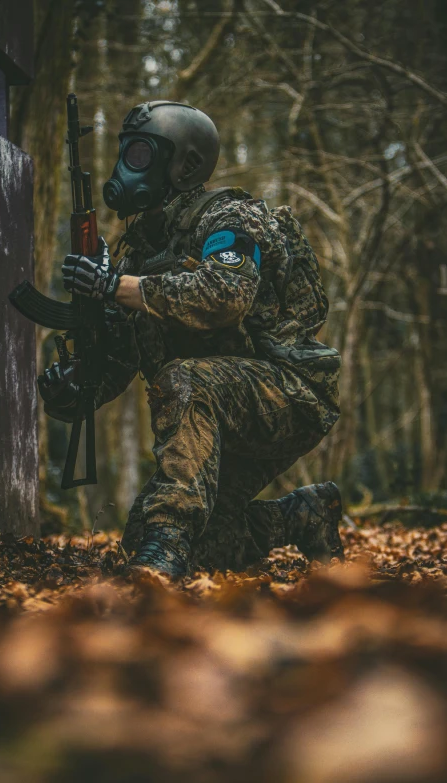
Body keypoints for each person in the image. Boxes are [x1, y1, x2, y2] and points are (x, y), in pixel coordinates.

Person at [40, 100, 344, 578]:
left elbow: (226, 295)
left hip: (289, 394)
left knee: (184, 383)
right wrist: (75, 390)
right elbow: (121, 360)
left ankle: (166, 556)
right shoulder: (138, 251)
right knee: (155, 533)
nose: (126, 168)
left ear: (184, 164)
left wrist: (114, 286)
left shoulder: (229, 217)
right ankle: (301, 516)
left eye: (141, 156)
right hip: (213, 420)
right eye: (127, 154)